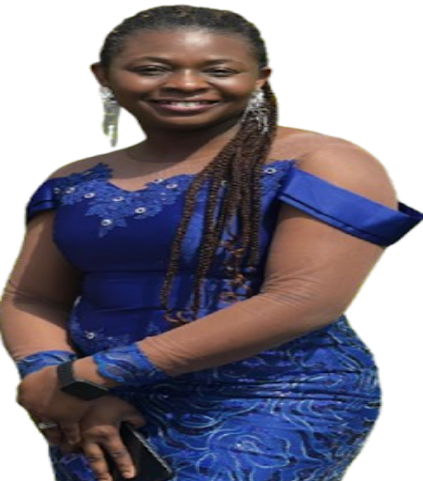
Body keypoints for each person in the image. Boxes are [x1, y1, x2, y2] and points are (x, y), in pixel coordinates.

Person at [0, 5, 422, 481]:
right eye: (152, 68)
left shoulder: (324, 162)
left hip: (269, 396)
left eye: (219, 70)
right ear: (104, 76)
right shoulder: (75, 180)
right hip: (98, 406)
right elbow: (32, 297)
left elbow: (303, 299)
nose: (185, 84)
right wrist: (51, 379)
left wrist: (89, 376)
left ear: (260, 78)